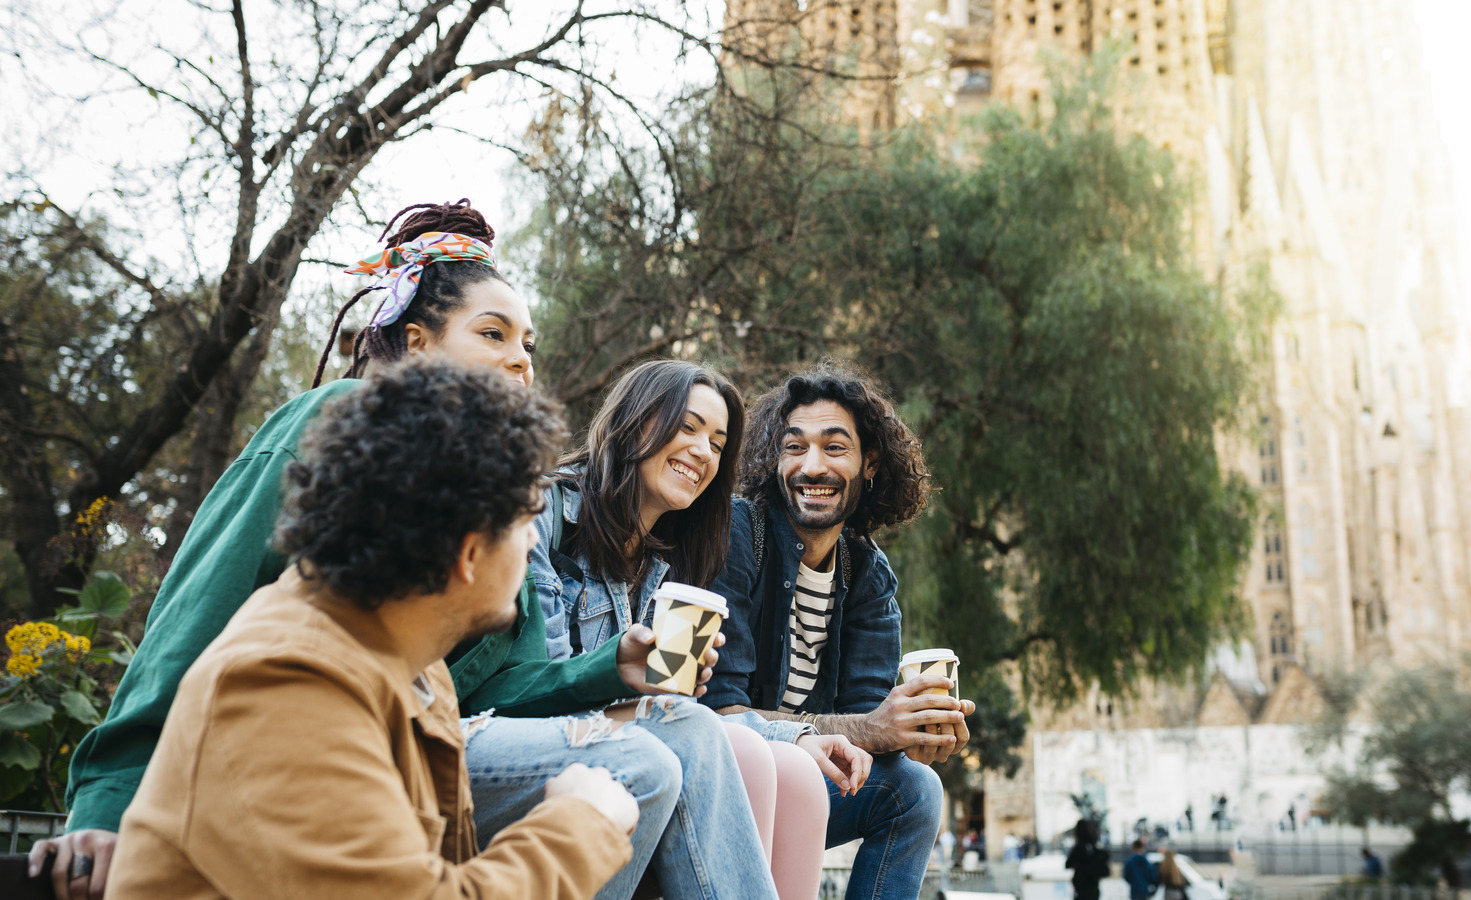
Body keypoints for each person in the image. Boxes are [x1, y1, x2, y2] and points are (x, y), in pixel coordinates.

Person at [40, 200, 770, 900]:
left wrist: (609, 668)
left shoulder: (467, 538)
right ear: (416, 342)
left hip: (430, 745)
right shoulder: (334, 436)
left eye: (529, 346)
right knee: (637, 763)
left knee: (686, 730)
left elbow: (499, 694)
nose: (521, 363)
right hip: (323, 756)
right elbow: (195, 619)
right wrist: (108, 804)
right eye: (493, 335)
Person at [105, 361, 638, 896]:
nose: (530, 545)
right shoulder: (287, 682)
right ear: (469, 553)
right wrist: (578, 824)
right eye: (526, 521)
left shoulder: (414, 668)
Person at [521, 358, 870, 900]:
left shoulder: (675, 557)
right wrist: (637, 682)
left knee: (798, 775)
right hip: (547, 735)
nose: (703, 451)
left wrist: (798, 734)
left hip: (641, 730)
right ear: (635, 423)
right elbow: (542, 684)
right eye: (687, 427)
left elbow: (695, 709)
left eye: (717, 441)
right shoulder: (547, 513)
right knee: (744, 752)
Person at [705, 362, 976, 900]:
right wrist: (872, 728)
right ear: (774, 459)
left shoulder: (868, 576)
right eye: (794, 447)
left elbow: (869, 726)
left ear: (868, 463)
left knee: (915, 789)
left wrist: (914, 735)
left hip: (807, 784)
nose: (812, 466)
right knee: (775, 758)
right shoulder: (737, 534)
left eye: (834, 448)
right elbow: (721, 713)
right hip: (729, 778)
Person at [1065, 820, 1110, 900]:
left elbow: (1068, 864)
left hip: (1082, 887)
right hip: (1093, 886)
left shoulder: (1079, 848)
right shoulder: (1094, 847)